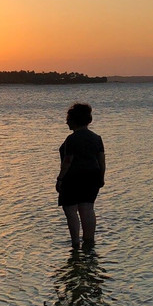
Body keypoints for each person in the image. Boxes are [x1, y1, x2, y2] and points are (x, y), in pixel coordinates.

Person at [56, 102, 105, 248]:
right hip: (93, 176)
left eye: (68, 119)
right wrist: (101, 178)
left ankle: (75, 244)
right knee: (87, 208)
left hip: (73, 177)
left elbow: (68, 161)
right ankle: (89, 242)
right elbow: (101, 160)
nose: (66, 122)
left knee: (70, 209)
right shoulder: (97, 138)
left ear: (73, 120)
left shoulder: (72, 139)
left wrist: (60, 179)